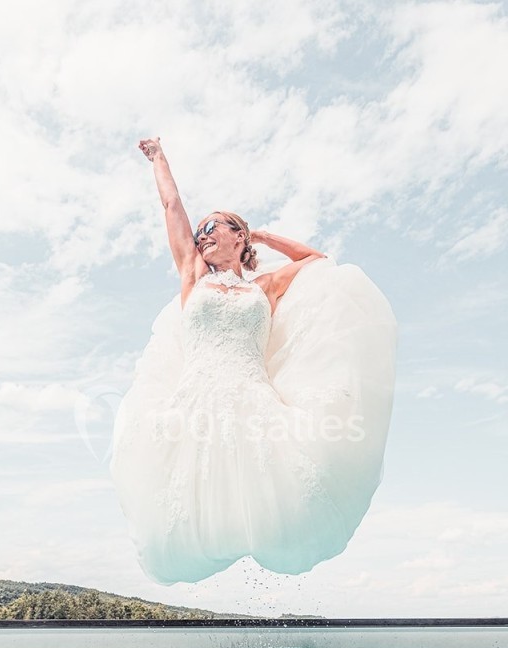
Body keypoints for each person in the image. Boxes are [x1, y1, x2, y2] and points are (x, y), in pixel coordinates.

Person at [109, 136, 398, 584]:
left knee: (276, 491)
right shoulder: (192, 276)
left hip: (254, 402)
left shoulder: (265, 287)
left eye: (213, 227)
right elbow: (171, 206)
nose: (203, 235)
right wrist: (159, 159)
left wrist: (262, 236)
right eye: (199, 232)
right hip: (194, 403)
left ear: (238, 236)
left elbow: (316, 260)